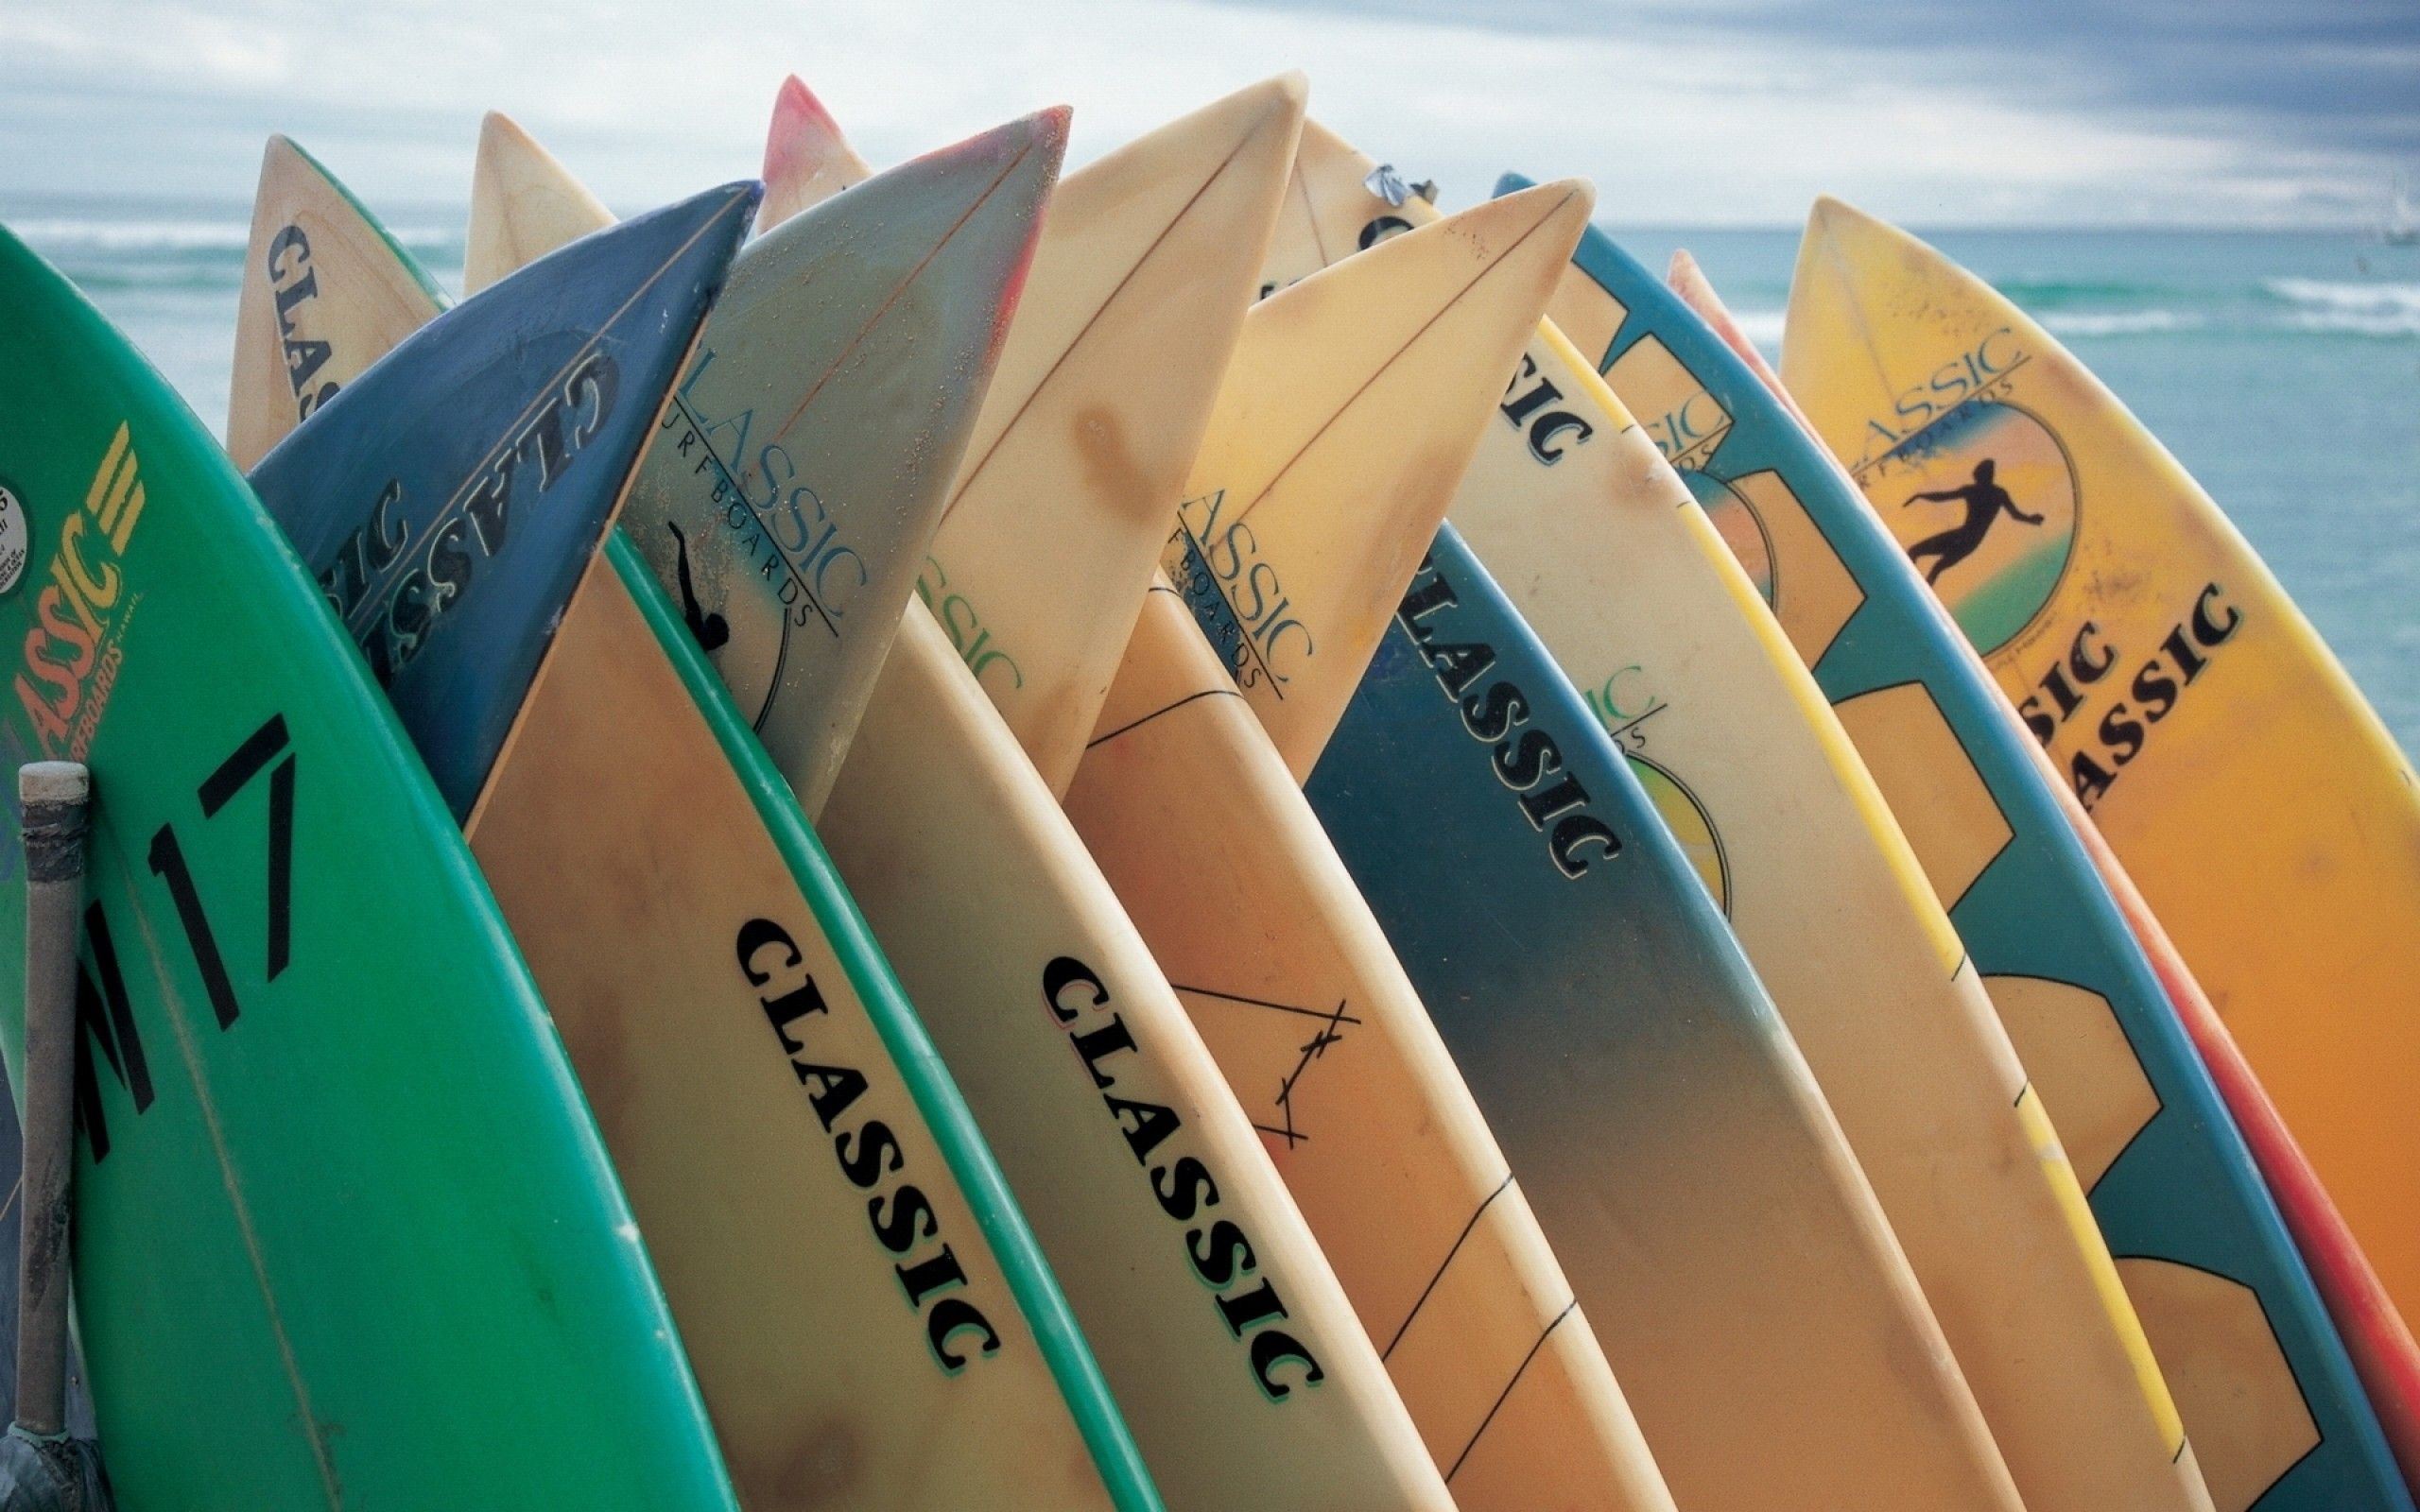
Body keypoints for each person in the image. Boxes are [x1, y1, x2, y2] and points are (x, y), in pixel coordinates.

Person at [1902, 458, 2044, 584]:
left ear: (1983, 475)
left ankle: (1910, 590)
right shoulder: (1992, 492)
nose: (1976, 476)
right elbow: (1943, 496)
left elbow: (1944, 496)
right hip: (1967, 538)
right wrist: (1921, 496)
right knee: (1923, 558)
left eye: (1979, 473)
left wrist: (2031, 520)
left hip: (1967, 539)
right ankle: (1904, 583)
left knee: (1933, 564)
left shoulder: (1992, 492)